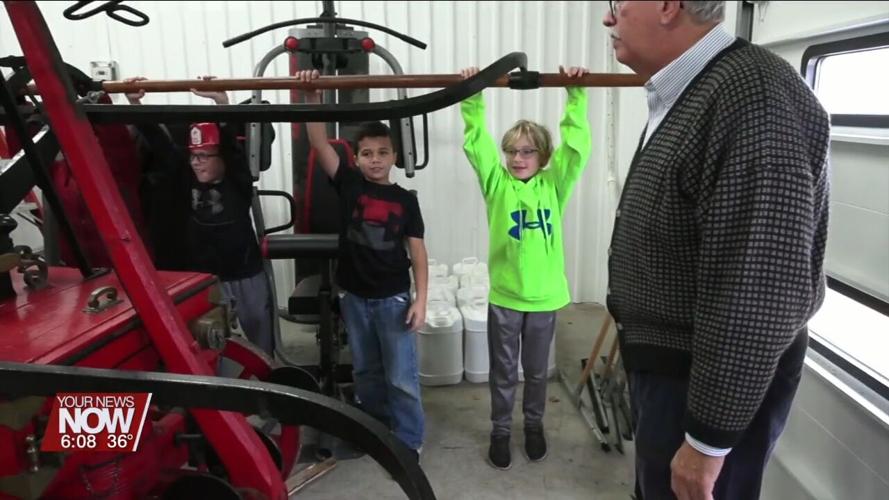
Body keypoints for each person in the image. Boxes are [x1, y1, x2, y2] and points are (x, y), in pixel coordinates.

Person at [601, 2, 830, 499]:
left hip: (703, 381)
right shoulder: (697, 90)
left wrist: (708, 441)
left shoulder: (752, 97)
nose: (607, 18)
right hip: (676, 373)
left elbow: (759, 283)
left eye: (617, 3)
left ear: (667, 6)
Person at [458, 65, 592, 470]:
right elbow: (476, 144)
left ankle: (533, 425)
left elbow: (576, 147)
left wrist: (576, 94)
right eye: (512, 151)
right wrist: (473, 94)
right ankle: (501, 430)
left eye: (528, 151)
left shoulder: (555, 185)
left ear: (543, 156)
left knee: (536, 372)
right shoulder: (496, 184)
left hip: (544, 297)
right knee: (503, 372)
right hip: (506, 296)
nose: (518, 158)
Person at [294, 69, 429, 458]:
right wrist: (313, 94)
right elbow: (318, 140)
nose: (375, 160)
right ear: (357, 156)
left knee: (401, 376)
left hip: (393, 301)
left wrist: (420, 300)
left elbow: (417, 252)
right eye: (367, 153)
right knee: (366, 372)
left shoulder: (406, 200)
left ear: (394, 157)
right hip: (354, 298)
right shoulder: (348, 181)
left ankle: (408, 442)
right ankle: (376, 429)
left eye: (382, 153)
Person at [125, 77, 275, 356]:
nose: (197, 162)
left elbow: (232, 147)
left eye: (205, 156)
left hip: (244, 274)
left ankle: (264, 388)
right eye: (194, 156)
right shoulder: (186, 180)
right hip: (207, 280)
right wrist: (135, 102)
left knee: (259, 342)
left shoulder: (237, 183)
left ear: (222, 160)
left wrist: (222, 103)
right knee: (211, 344)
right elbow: (161, 145)